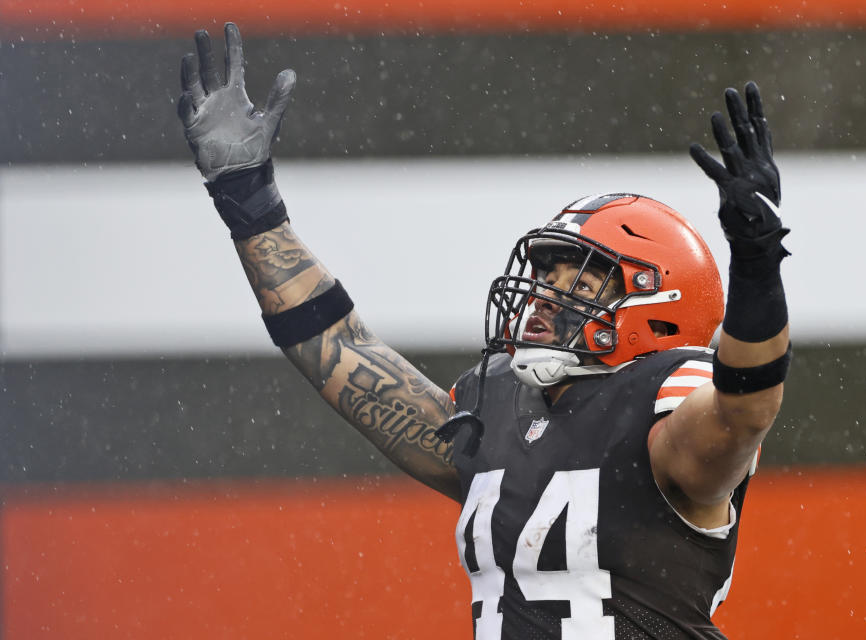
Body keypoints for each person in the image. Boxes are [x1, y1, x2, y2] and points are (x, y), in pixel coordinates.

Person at [178, 23, 791, 640]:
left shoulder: (670, 407)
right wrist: (248, 201)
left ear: (659, 307)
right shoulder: (498, 405)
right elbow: (338, 348)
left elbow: (745, 411)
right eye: (544, 273)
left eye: (577, 282)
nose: (544, 296)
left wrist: (758, 263)